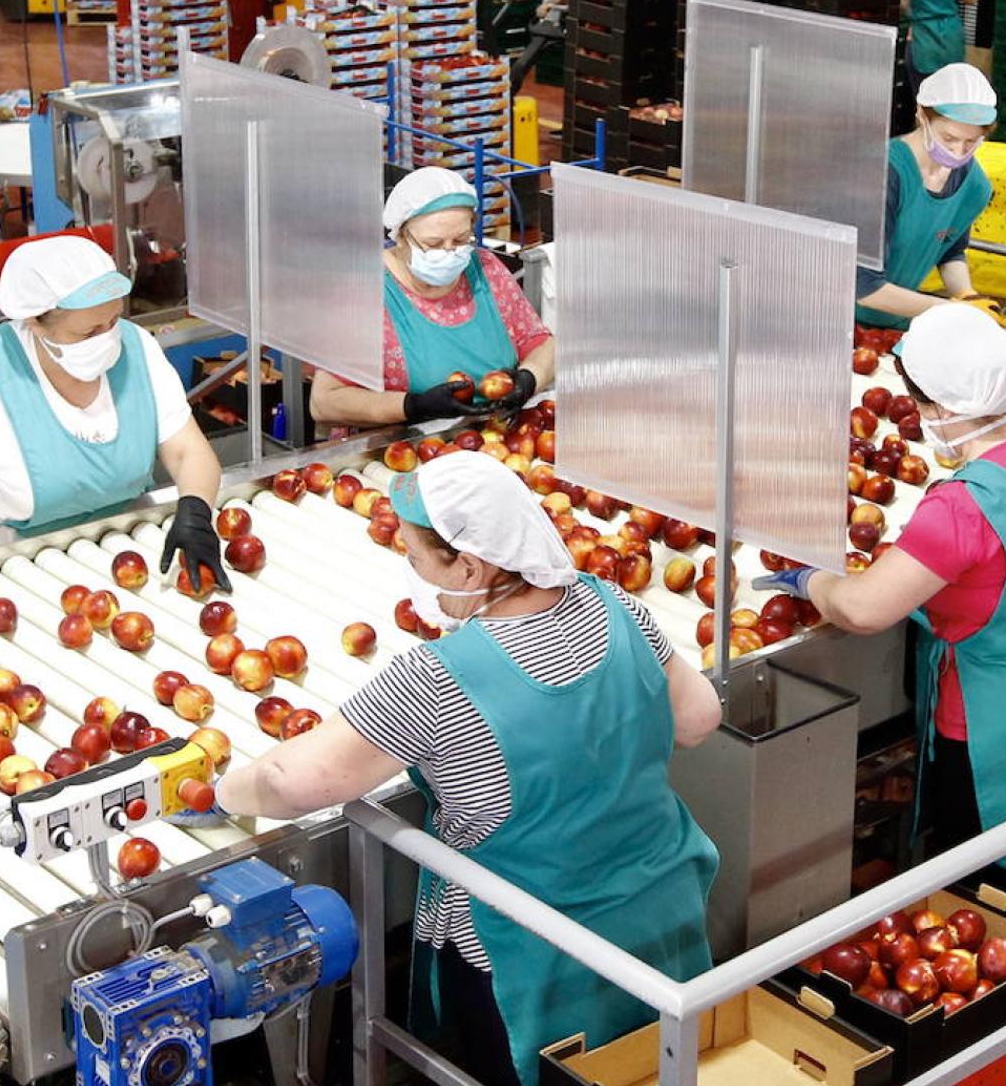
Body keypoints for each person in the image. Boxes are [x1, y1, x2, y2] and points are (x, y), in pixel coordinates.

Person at [217, 451, 721, 1086]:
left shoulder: (439, 678)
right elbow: (699, 716)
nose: (412, 572)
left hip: (532, 955)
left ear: (470, 564)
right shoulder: (612, 603)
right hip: (657, 910)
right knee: (648, 1070)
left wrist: (219, 788)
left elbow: (292, 782)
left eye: (417, 559)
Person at [755, 304, 1006, 1086]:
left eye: (922, 405)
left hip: (1002, 730)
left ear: (948, 408)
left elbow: (864, 608)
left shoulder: (963, 504)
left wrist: (805, 577)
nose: (920, 418)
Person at [0, 235, 226, 599]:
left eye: (114, 320)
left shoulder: (137, 349)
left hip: (123, 550)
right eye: (89, 331)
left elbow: (188, 450)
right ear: (36, 325)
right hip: (6, 566)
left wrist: (196, 511)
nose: (108, 338)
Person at [309, 167, 555, 430]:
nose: (449, 252)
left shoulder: (484, 269)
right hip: (402, 450)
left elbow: (541, 343)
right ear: (400, 235)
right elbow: (325, 402)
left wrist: (529, 378)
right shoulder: (366, 294)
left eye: (460, 239)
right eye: (434, 244)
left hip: (494, 438)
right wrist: (413, 406)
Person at [857, 63, 1006, 331]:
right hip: (841, 321)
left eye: (971, 141)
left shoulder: (973, 185)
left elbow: (950, 249)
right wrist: (957, 311)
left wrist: (968, 296)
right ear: (921, 116)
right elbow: (864, 286)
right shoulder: (883, 175)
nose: (958, 151)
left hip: (898, 325)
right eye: (948, 137)